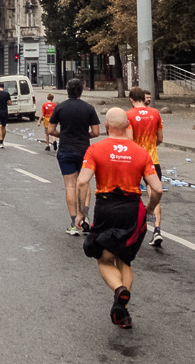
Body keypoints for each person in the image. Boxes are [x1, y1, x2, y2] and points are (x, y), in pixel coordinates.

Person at [76, 108, 162, 328]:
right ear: (127, 126)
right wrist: (150, 209)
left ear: (107, 126)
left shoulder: (95, 149)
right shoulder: (141, 152)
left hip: (106, 206)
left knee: (103, 258)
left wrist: (80, 212)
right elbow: (157, 188)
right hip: (132, 209)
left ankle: (119, 290)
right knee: (124, 260)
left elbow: (82, 181)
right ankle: (122, 311)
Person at [48, 78, 101, 236]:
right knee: (84, 184)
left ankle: (73, 222)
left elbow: (50, 130)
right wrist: (84, 136)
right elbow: (96, 132)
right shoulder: (89, 108)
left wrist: (63, 135)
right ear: (81, 91)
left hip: (65, 150)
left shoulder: (60, 107)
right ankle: (84, 218)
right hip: (85, 151)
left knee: (70, 186)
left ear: (67, 90)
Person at [127, 87, 165, 247]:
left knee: (132, 194)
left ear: (131, 99)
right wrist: (151, 147)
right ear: (144, 98)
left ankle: (134, 230)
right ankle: (157, 229)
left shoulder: (128, 115)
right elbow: (160, 138)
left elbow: (129, 140)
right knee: (154, 192)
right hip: (152, 159)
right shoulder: (155, 113)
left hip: (135, 160)